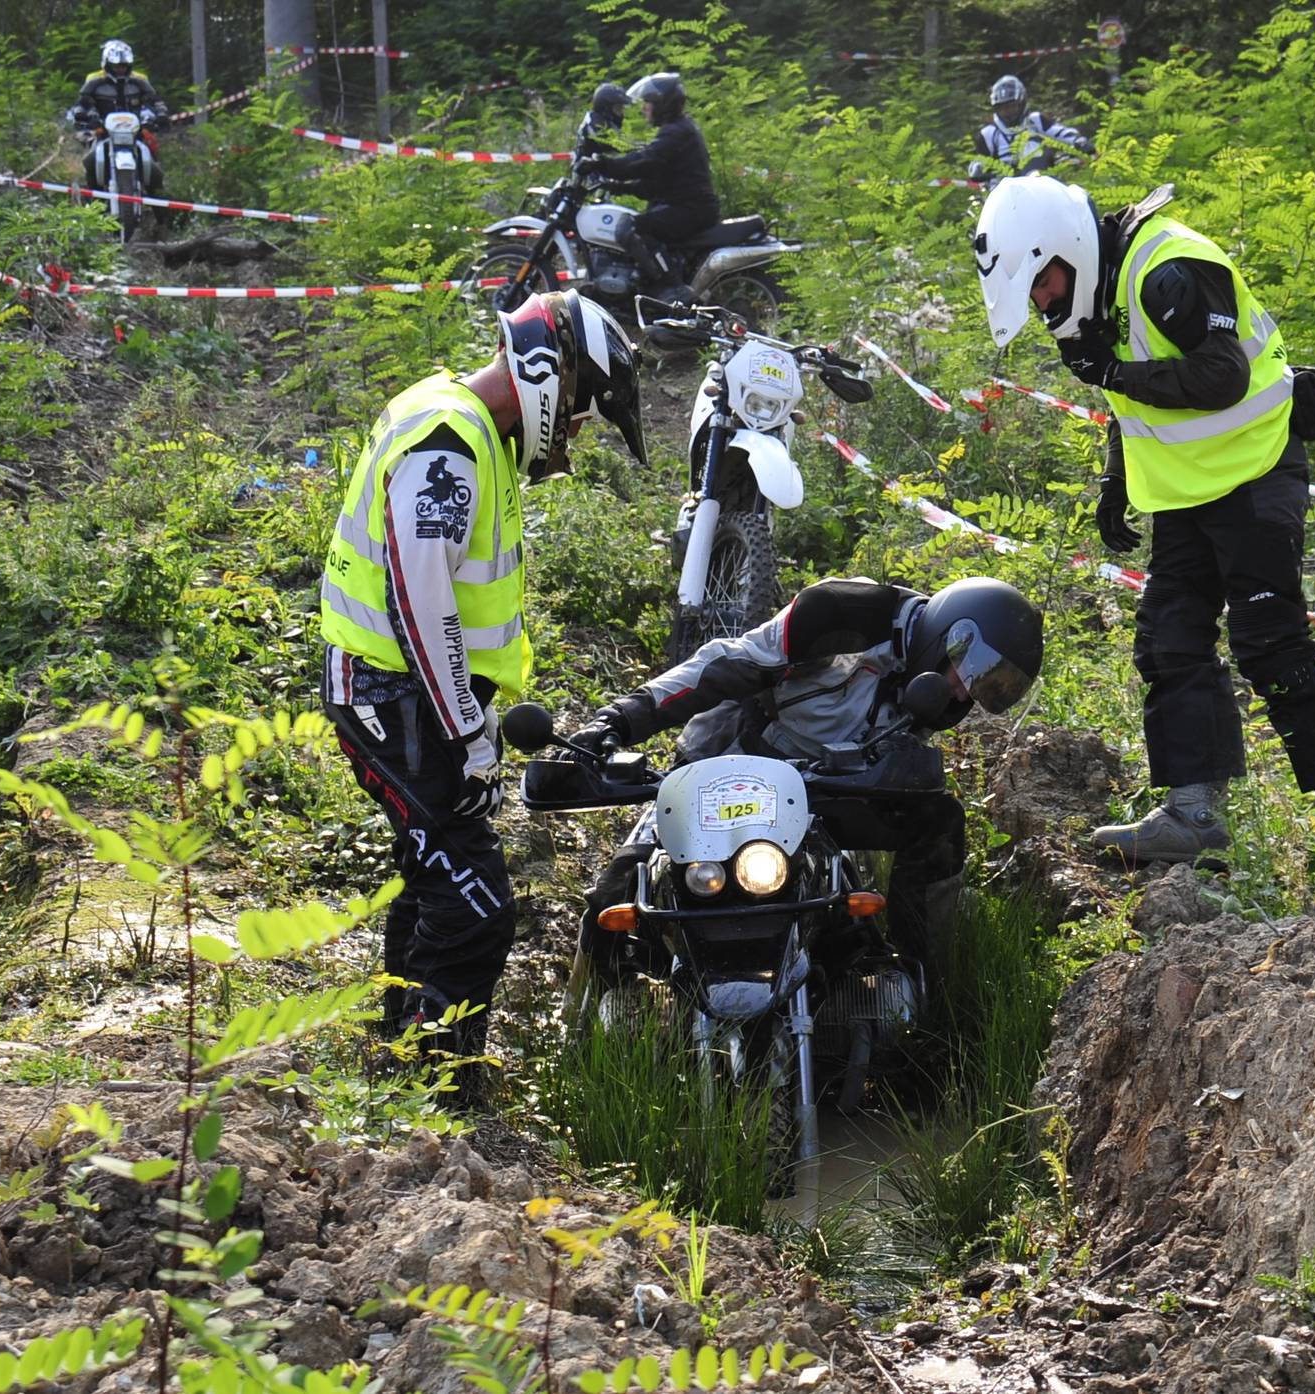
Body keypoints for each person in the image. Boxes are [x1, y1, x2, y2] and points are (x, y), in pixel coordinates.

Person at [971, 175, 1315, 894]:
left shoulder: (1168, 271)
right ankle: (1193, 813)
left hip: (1257, 469)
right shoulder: (1093, 288)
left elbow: (1221, 377)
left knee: (1271, 642)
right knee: (1169, 640)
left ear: (1061, 251)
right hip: (1188, 489)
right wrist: (1116, 471)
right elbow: (1127, 390)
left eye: (1040, 286)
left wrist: (1113, 370)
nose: (1041, 303)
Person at [320, 290, 646, 1073]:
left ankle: (393, 1064)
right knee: (477, 910)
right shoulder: (449, 444)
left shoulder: (468, 429)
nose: (573, 432)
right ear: (548, 374)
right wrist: (467, 731)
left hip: (409, 695)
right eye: (577, 412)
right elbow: (419, 600)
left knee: (433, 877)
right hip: (391, 697)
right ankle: (438, 1091)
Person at [569, 576, 1044, 999]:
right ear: (948, 635)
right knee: (622, 886)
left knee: (938, 822)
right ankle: (584, 1022)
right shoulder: (839, 614)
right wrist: (622, 718)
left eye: (989, 687)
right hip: (734, 757)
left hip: (823, 785)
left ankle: (921, 987)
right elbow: (726, 664)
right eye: (973, 672)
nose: (968, 693)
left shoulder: (936, 694)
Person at [578, 71, 718, 301]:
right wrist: (616, 186)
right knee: (642, 221)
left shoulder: (676, 132)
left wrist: (601, 164)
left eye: (649, 103)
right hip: (689, 205)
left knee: (633, 228)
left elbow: (643, 161)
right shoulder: (678, 129)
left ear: (664, 105)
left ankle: (673, 289)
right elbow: (655, 184)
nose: (644, 108)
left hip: (691, 209)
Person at [71, 40, 169, 197]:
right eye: (116, 66)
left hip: (135, 133)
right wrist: (85, 116)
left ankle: (161, 211)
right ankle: (92, 201)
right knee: (89, 161)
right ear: (107, 64)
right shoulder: (95, 82)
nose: (120, 70)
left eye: (124, 66)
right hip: (104, 132)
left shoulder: (139, 82)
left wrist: (161, 115)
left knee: (155, 168)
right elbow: (82, 103)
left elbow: (154, 101)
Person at [972, 75, 1091, 179]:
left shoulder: (1036, 121)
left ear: (1022, 103)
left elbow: (1061, 133)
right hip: (1003, 193)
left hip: (1042, 185)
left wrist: (1078, 141)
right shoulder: (988, 134)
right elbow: (979, 161)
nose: (1008, 112)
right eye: (1003, 109)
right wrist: (978, 168)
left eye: (1012, 107)